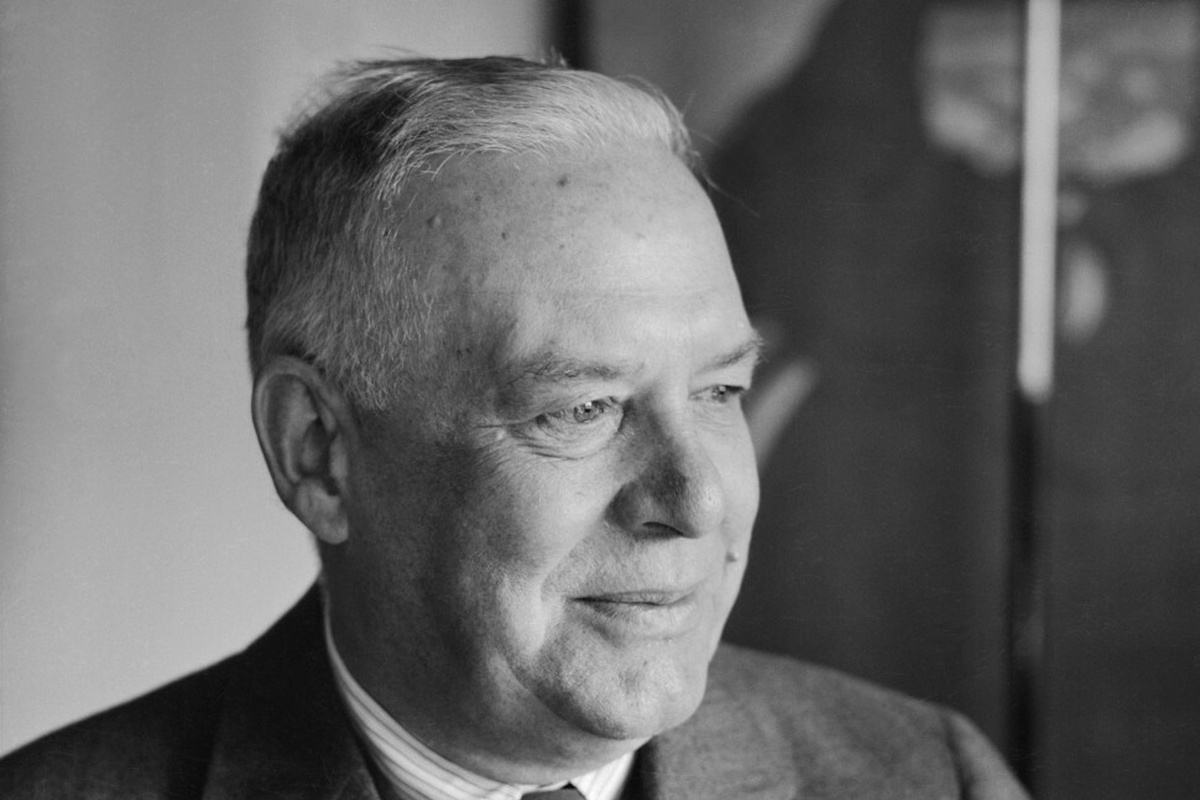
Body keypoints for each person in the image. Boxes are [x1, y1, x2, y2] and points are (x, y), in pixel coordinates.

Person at [0, 56, 1028, 799]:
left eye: (719, 392)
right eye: (582, 407)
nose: (698, 500)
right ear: (319, 452)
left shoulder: (928, 773)